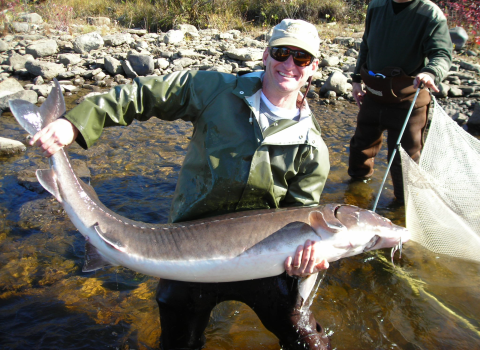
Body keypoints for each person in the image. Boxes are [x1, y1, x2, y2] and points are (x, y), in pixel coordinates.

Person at [30, 19, 332, 350]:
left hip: (261, 264)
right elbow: (142, 94)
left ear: (313, 67)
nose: (289, 65)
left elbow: (300, 216)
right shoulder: (215, 90)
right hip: (183, 250)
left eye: (301, 58)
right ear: (265, 55)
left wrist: (309, 256)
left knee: (309, 343)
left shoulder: (313, 148)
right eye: (282, 53)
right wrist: (76, 122)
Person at [349, 0, 452, 201]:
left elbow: (441, 53)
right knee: (360, 149)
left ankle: (403, 211)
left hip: (409, 100)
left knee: (404, 162)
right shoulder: (376, 6)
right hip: (373, 95)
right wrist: (356, 80)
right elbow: (366, 45)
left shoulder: (430, 14)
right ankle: (355, 197)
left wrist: (431, 72)